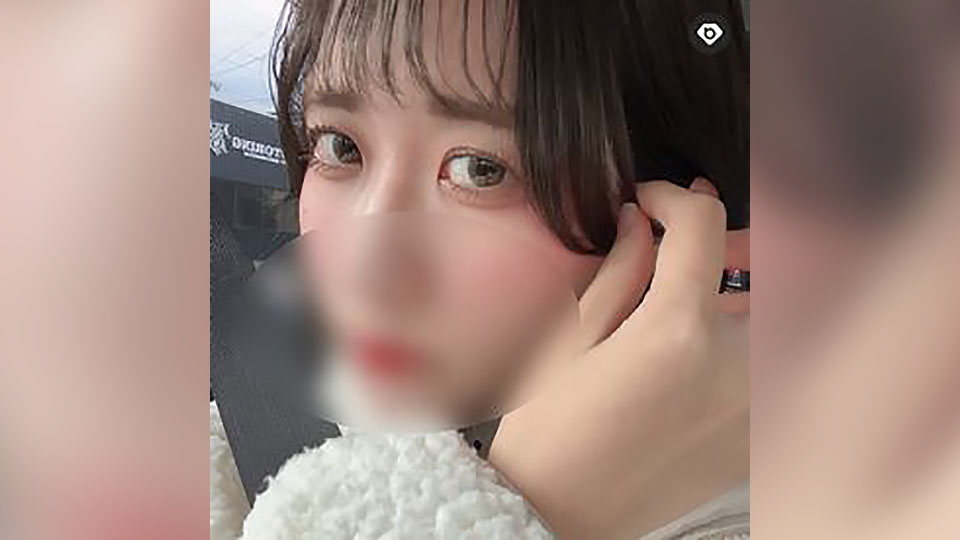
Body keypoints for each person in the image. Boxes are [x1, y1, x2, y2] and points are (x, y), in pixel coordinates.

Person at [210, 0, 750, 538]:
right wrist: (533, 506)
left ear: (672, 227)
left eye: (481, 170)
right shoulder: (226, 444)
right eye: (340, 147)